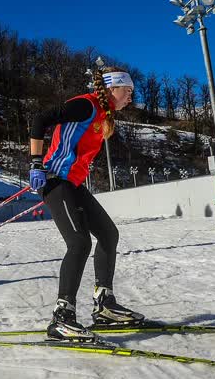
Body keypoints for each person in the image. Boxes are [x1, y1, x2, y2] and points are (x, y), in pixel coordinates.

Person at [29, 66, 144, 342]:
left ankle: (105, 305)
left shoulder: (105, 114)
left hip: (73, 183)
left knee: (108, 234)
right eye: (127, 91)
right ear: (112, 89)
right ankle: (62, 317)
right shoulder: (86, 105)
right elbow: (40, 118)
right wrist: (35, 163)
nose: (130, 97)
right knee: (79, 242)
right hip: (56, 181)